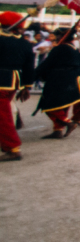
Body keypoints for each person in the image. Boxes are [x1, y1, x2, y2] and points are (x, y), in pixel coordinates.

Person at [34, 27, 80, 139]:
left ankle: (68, 122)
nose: (55, 37)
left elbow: (47, 63)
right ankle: (58, 130)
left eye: (57, 35)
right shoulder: (74, 48)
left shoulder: (60, 48)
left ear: (61, 36)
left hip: (60, 78)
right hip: (72, 77)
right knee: (62, 105)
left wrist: (35, 74)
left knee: (49, 104)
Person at [0, 12, 35, 161]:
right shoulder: (25, 44)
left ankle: (13, 147)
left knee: (3, 116)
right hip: (14, 81)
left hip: (2, 80)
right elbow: (29, 67)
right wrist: (27, 86)